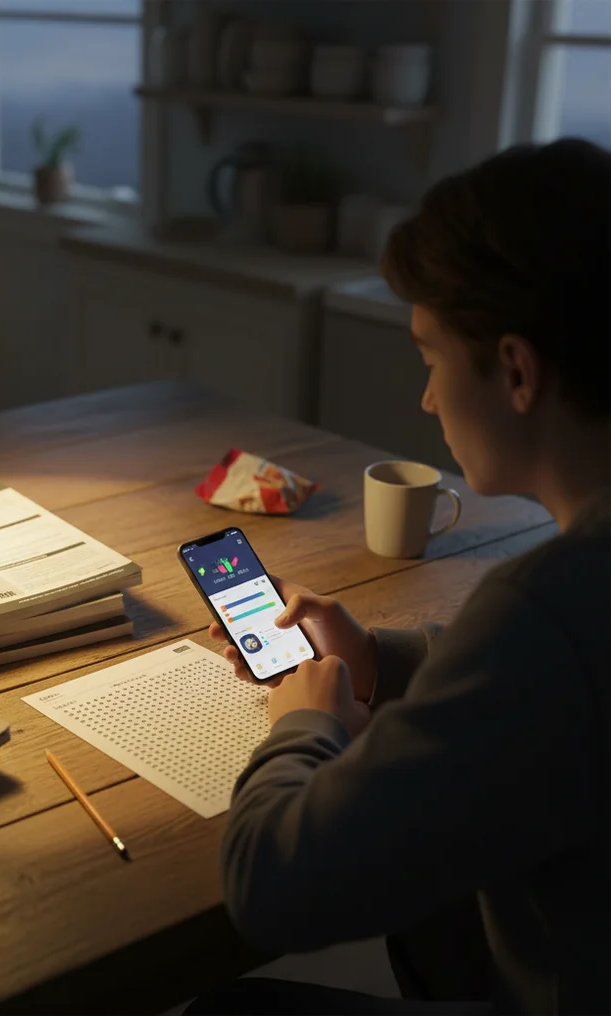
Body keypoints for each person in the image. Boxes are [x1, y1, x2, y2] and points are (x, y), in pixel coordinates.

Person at [190, 138, 610, 1015]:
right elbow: (546, 686)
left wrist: (303, 726)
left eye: (429, 357)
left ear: (517, 370)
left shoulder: (545, 604)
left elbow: (270, 889)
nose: (425, 398)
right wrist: (379, 658)